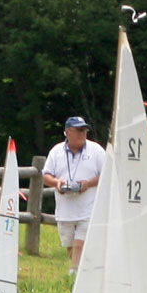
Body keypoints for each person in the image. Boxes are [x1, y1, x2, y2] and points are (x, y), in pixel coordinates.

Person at [39, 116, 105, 272]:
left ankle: (73, 274)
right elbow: (46, 175)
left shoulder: (96, 151)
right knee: (70, 247)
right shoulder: (56, 151)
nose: (82, 134)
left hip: (88, 208)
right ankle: (82, 272)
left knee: (79, 245)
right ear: (67, 132)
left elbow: (107, 173)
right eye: (79, 130)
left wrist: (88, 183)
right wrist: (57, 183)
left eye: (84, 130)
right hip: (65, 208)